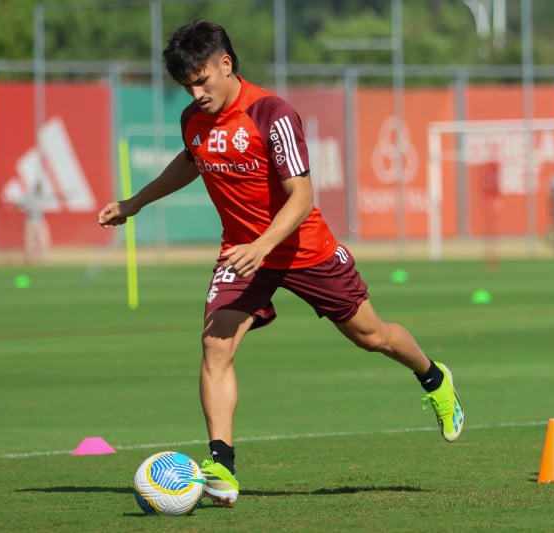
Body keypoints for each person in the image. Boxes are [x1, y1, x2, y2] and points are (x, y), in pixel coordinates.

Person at [97, 20, 464, 508]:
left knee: (371, 336)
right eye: (186, 85)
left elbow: (302, 195)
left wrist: (263, 245)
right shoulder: (193, 119)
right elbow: (190, 162)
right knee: (215, 346)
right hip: (242, 253)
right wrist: (134, 203)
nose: (196, 93)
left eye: (202, 80)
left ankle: (434, 378)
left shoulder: (272, 114)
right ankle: (221, 468)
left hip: (303, 249)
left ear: (226, 63)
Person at [17, 181, 50, 264]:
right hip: (30, 221)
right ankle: (30, 259)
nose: (39, 189)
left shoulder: (42, 197)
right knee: (30, 242)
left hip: (40, 221)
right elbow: (19, 205)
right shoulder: (29, 197)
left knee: (42, 241)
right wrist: (26, 209)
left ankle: (42, 259)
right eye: (38, 187)